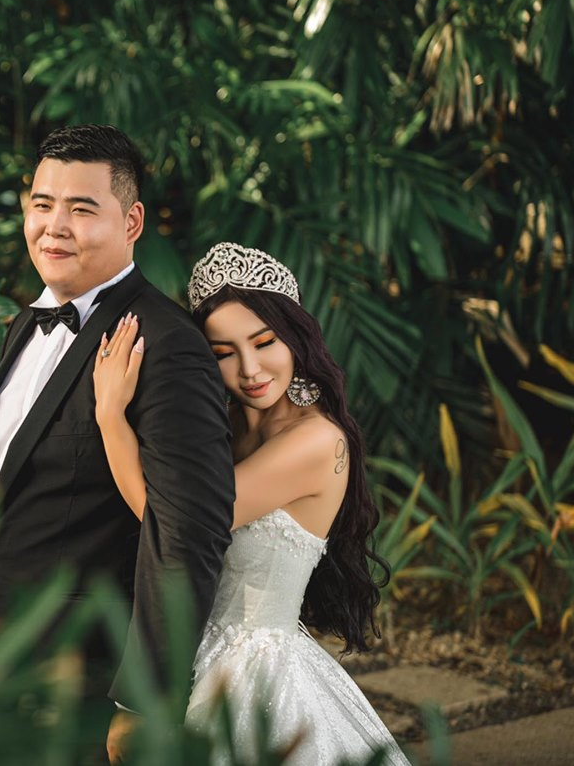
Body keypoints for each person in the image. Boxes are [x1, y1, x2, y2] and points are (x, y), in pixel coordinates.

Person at [0, 125, 235, 761]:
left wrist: (143, 697)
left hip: (84, 675)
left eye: (82, 209)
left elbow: (188, 535)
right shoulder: (24, 325)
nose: (54, 227)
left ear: (132, 221)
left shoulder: (167, 346)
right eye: (42, 204)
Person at [93, 242, 411, 765]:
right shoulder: (226, 426)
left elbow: (175, 522)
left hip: (255, 678)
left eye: (265, 343)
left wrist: (111, 417)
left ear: (296, 338)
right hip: (187, 653)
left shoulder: (317, 441)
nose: (250, 369)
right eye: (223, 352)